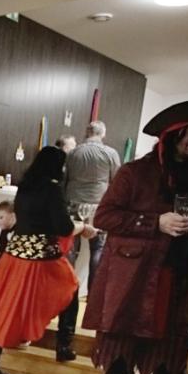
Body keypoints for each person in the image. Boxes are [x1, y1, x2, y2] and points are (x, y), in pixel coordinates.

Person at [84, 100, 188, 374]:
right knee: (123, 339)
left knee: (170, 339)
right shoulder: (134, 172)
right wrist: (155, 222)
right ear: (173, 135)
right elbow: (104, 216)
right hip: (135, 276)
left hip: (178, 274)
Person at [0, 146, 78, 374]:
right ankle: (64, 345)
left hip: (15, 255)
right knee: (71, 287)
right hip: (41, 257)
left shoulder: (25, 188)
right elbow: (64, 227)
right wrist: (82, 226)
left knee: (8, 305)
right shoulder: (52, 189)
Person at [64, 120, 122, 297]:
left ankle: (68, 291)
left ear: (87, 133)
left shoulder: (73, 153)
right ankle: (94, 294)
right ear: (103, 134)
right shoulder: (111, 153)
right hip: (99, 205)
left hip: (73, 203)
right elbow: (117, 181)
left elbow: (65, 179)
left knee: (71, 248)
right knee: (98, 249)